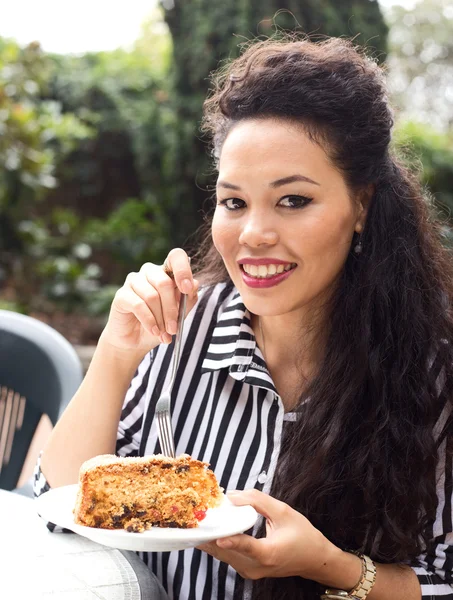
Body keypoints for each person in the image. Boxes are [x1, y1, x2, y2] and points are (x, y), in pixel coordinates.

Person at [34, 35, 453, 600]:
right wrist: (115, 351)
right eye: (234, 202)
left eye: (293, 200)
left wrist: (330, 565)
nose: (253, 234)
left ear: (361, 205)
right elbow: (59, 498)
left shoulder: (431, 375)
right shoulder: (183, 325)